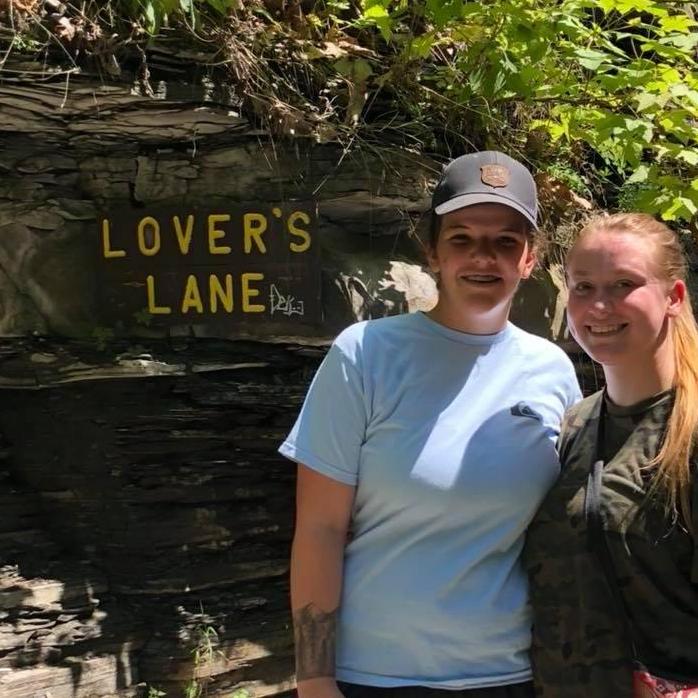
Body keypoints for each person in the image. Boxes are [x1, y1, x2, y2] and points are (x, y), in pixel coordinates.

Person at [279, 151, 581, 698]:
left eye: (505, 242)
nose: (482, 258)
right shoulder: (366, 355)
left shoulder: (552, 370)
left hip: (510, 675)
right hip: (373, 677)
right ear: (431, 252)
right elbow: (320, 530)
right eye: (461, 238)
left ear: (531, 259)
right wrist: (315, 680)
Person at [524, 213, 698, 697]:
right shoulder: (574, 425)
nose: (599, 306)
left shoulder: (690, 431)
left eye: (624, 284)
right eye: (582, 287)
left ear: (674, 298)